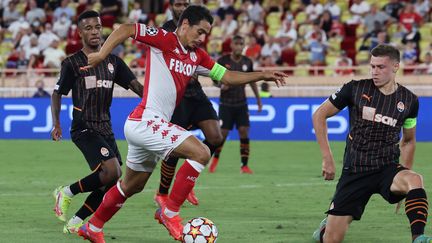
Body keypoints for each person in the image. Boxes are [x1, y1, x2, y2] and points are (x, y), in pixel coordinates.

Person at [76, 5, 287, 242]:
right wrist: (103, 54)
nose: (202, 38)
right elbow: (126, 28)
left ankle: (93, 227)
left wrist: (261, 74)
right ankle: (170, 211)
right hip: (146, 120)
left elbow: (227, 76)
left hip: (146, 127)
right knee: (201, 152)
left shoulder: (197, 57)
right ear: (184, 24)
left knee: (131, 186)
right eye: (200, 31)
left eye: (206, 34)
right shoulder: (165, 40)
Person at [311, 44, 432, 243]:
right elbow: (319, 115)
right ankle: (326, 228)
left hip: (387, 168)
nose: (375, 71)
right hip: (356, 170)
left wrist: (405, 176)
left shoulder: (410, 101)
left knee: (415, 180)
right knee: (332, 239)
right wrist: (327, 158)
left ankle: (418, 237)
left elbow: (408, 140)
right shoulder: (355, 88)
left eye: (381, 67)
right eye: (372, 66)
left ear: (395, 67)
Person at [50, 10, 143, 234]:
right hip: (83, 127)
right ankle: (67, 192)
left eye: (98, 27)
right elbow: (57, 93)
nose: (94, 32)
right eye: (89, 28)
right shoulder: (72, 63)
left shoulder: (114, 62)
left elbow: (137, 87)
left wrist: (156, 100)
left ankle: (76, 220)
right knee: (112, 171)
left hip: (105, 127)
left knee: (112, 180)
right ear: (80, 32)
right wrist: (57, 123)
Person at [154, 0, 224, 208]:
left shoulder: (198, 28)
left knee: (215, 136)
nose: (181, 6)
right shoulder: (166, 31)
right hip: (177, 94)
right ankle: (162, 193)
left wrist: (216, 75)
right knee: (174, 147)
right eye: (178, 3)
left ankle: (186, 179)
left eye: (185, 3)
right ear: (171, 6)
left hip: (196, 92)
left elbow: (201, 59)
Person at [209, 35, 262, 174]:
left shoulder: (247, 62)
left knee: (244, 131)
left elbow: (252, 81)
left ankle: (244, 165)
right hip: (226, 104)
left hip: (241, 104)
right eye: (237, 44)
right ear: (231, 45)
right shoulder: (223, 61)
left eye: (241, 44)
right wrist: (221, 85)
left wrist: (258, 100)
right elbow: (214, 79)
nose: (239, 46)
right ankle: (215, 160)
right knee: (223, 134)